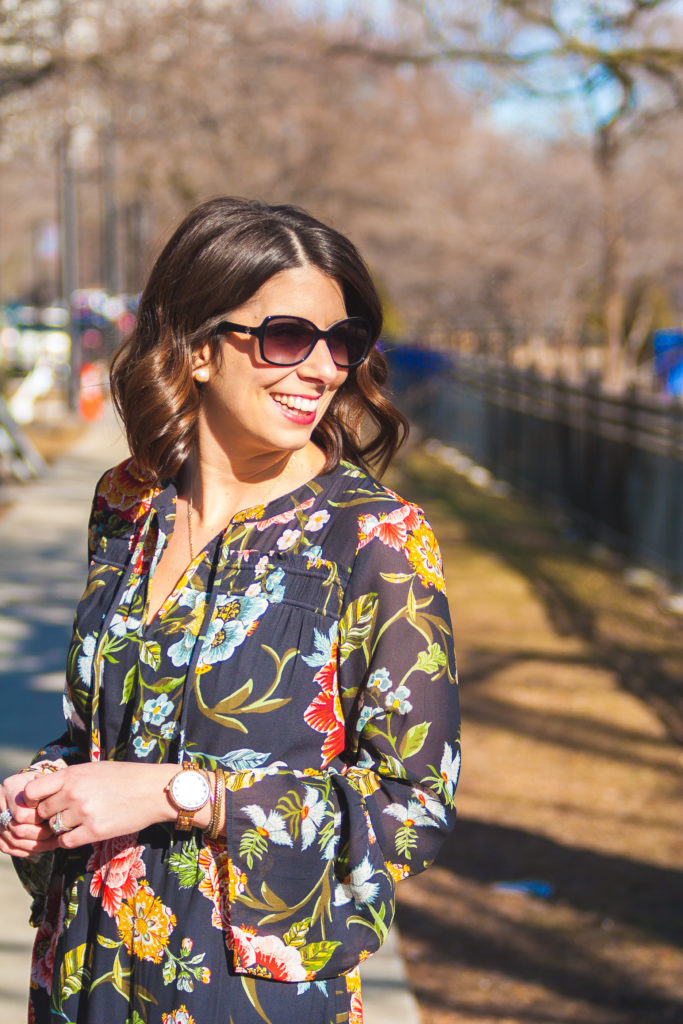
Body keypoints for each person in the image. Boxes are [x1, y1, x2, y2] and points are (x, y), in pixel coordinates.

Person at [0, 197, 461, 1024]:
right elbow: (103, 734)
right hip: (83, 977)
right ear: (197, 348)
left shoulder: (375, 540)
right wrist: (51, 786)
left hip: (247, 995)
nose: (321, 368)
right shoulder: (126, 504)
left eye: (342, 342)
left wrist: (183, 794)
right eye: (287, 336)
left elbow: (411, 810)